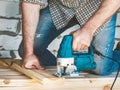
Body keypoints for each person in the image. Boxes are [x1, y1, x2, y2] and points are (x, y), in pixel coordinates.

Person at [19, 0, 120, 75]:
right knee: (27, 50)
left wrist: (88, 30)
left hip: (98, 7)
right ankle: (70, 67)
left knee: (101, 68)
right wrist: (29, 53)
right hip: (59, 6)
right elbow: (31, 2)